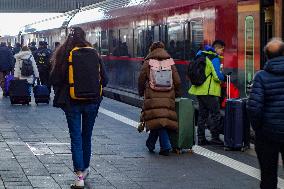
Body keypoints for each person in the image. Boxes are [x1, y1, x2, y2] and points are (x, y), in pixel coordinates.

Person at [50, 27, 108, 188]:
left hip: (72, 103)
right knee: (86, 136)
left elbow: (55, 78)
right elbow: (106, 79)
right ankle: (86, 168)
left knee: (75, 137)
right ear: (85, 37)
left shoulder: (64, 54)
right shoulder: (94, 53)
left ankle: (79, 176)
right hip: (92, 102)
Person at [247, 38, 284, 189]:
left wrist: (258, 129)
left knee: (268, 177)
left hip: (267, 134)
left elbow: (254, 108)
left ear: (267, 56)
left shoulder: (261, 77)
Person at [138, 41, 181, 156]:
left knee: (159, 119)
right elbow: (177, 80)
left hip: (152, 95)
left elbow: (141, 78)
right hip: (168, 94)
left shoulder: (148, 62)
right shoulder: (169, 61)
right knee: (160, 118)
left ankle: (165, 146)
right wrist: (177, 93)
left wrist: (141, 91)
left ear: (151, 50)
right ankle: (150, 143)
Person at [188, 40, 225, 145]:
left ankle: (201, 138)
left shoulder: (202, 55)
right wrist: (224, 77)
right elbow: (217, 76)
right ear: (217, 48)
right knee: (215, 114)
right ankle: (215, 137)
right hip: (209, 91)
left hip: (199, 90)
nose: (222, 51)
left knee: (202, 115)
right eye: (222, 49)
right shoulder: (214, 58)